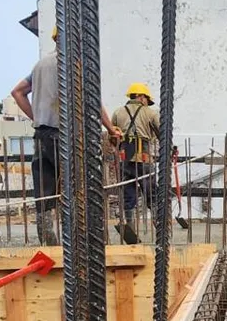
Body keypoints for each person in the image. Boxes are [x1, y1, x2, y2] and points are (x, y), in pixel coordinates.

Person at [11, 26, 119, 246]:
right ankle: (80, 243)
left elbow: (17, 92)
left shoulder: (39, 65)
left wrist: (36, 117)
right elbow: (95, 103)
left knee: (44, 192)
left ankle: (49, 243)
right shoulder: (78, 65)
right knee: (78, 188)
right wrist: (110, 128)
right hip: (68, 137)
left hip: (41, 135)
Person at [110, 82, 161, 242]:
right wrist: (171, 148)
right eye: (146, 99)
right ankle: (158, 224)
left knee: (128, 194)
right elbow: (162, 133)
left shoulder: (118, 113)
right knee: (151, 193)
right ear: (140, 96)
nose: (147, 102)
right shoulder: (150, 113)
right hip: (144, 159)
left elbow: (113, 138)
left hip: (125, 159)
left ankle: (130, 227)